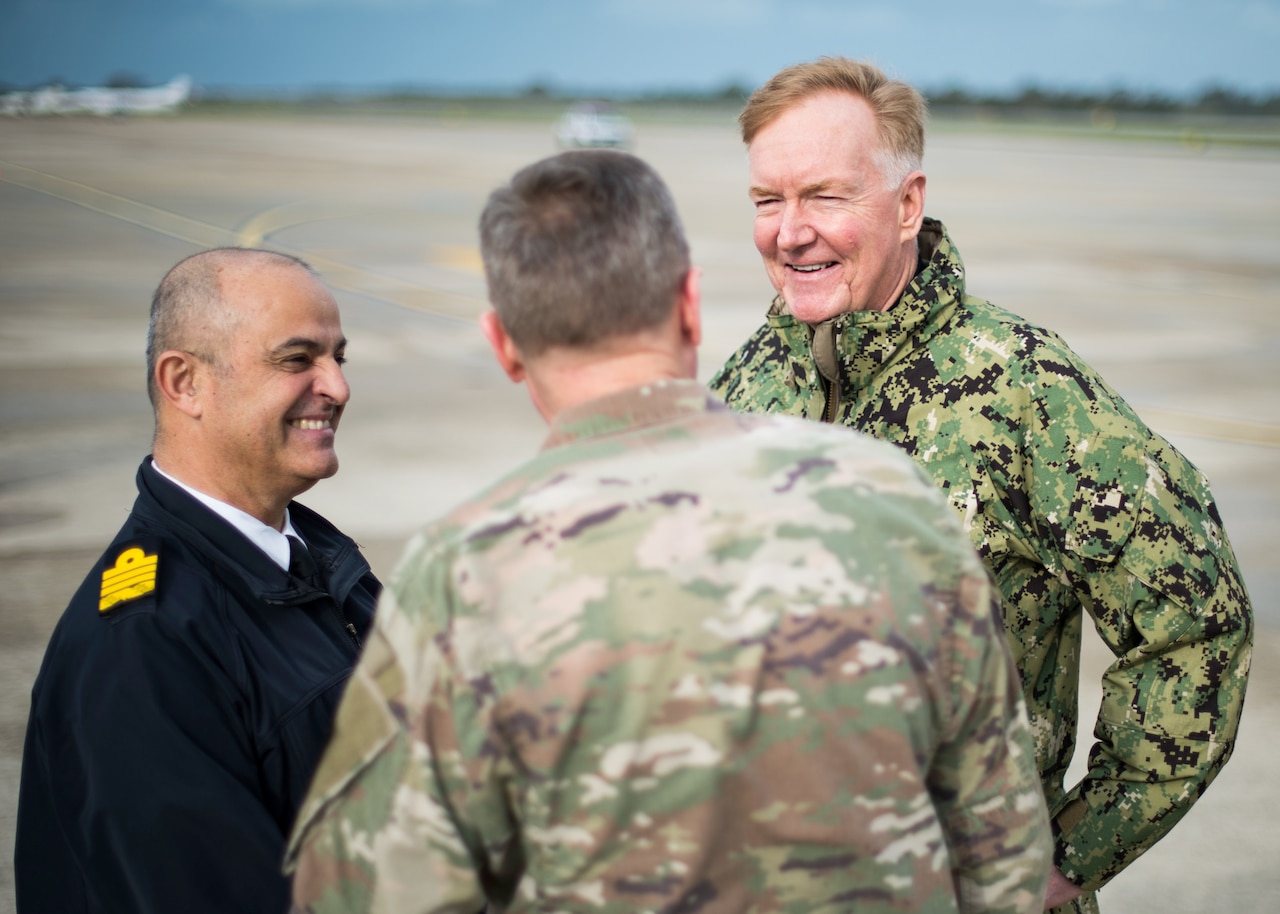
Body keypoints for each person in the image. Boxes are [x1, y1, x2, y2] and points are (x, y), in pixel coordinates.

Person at [285, 149, 1052, 914]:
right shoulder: (893, 499)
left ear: (504, 347)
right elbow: (1002, 849)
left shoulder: (465, 572)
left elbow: (375, 891)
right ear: (690, 304)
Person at [709, 57, 1253, 913]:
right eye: (767, 201)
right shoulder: (750, 379)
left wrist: (1072, 853)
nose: (790, 231)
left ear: (908, 204)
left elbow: (1197, 628)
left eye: (825, 196)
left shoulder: (1027, 395)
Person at [15, 248, 382, 914]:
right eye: (297, 359)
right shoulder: (144, 646)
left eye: (338, 358)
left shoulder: (317, 556)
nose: (336, 386)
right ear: (184, 383)